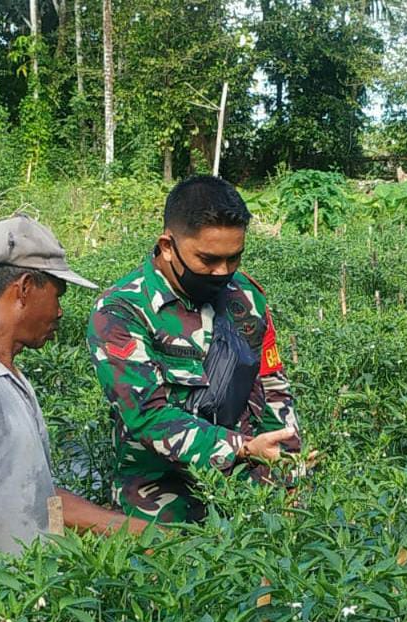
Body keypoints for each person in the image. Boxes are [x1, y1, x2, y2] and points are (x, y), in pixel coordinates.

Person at [0, 213, 146, 622]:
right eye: (57, 294)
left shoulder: (6, 376)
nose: (60, 311)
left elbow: (40, 498)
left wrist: (145, 533)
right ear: (24, 289)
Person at [87, 175, 304, 523]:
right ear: (168, 246)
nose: (223, 272)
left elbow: (271, 384)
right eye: (208, 259)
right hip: (160, 501)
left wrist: (291, 469)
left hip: (245, 488)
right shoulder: (122, 311)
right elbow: (147, 418)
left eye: (234, 258)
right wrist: (241, 448)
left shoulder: (245, 298)